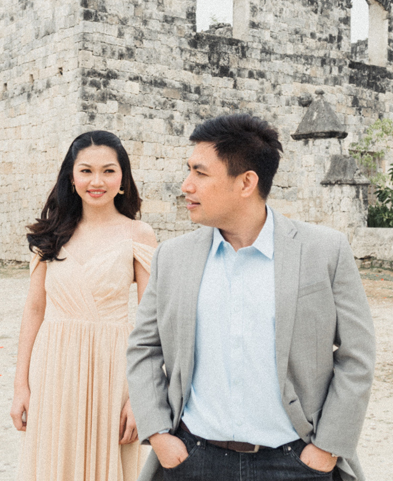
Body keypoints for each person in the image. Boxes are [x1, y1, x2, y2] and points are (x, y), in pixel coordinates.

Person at [127, 114, 376, 481]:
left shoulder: (325, 251)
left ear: (246, 182)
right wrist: (160, 435)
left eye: (200, 173)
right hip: (193, 460)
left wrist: (326, 449)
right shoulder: (172, 257)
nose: (186, 185)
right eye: (188, 171)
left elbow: (357, 355)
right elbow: (144, 348)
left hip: (295, 463)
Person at [11, 130, 157, 481]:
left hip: (114, 371)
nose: (97, 181)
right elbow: (34, 310)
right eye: (86, 170)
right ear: (71, 177)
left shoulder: (138, 234)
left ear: (123, 177)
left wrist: (141, 397)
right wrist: (21, 387)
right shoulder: (51, 234)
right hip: (54, 370)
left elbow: (153, 321)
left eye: (109, 170)